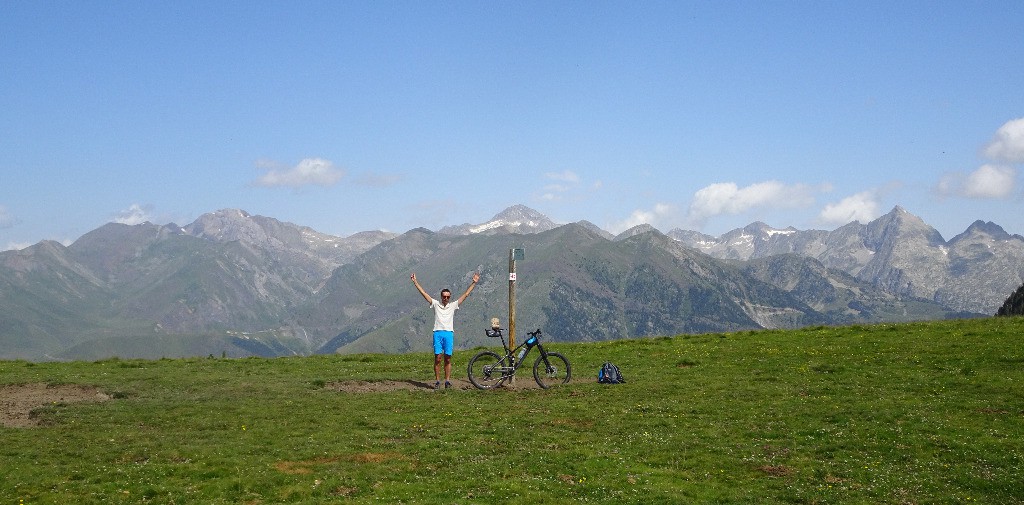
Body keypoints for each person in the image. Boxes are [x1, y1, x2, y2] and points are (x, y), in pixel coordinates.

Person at [411, 271, 480, 389]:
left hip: (448, 333)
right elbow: (424, 293)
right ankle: (437, 381)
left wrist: (473, 283)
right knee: (438, 358)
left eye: (448, 297)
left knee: (447, 358)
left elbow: (466, 294)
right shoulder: (436, 304)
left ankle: (447, 381)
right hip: (437, 333)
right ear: (441, 297)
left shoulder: (453, 305)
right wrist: (415, 282)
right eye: (444, 296)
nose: (446, 298)